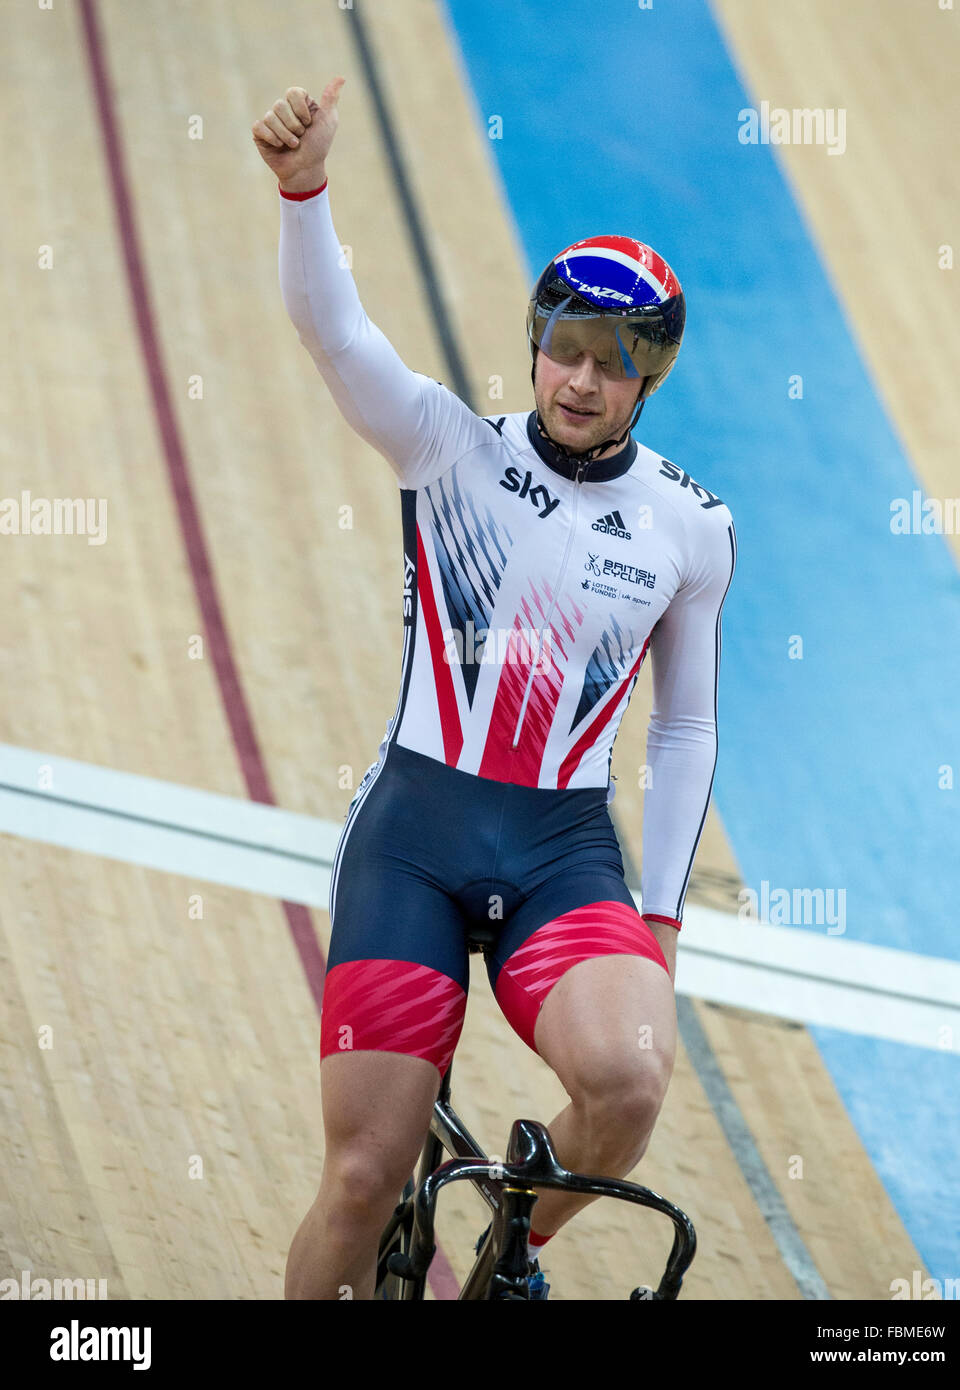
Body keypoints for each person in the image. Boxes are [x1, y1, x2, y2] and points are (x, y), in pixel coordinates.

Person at [252, 79, 736, 1301]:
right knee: (361, 1181)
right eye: (565, 348)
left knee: (628, 1079)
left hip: (561, 851)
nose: (580, 379)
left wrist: (661, 923)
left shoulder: (690, 526)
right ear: (536, 345)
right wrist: (303, 190)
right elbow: (333, 330)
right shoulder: (445, 446)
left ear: (649, 380)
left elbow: (683, 727)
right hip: (412, 834)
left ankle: (500, 1253)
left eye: (615, 363)